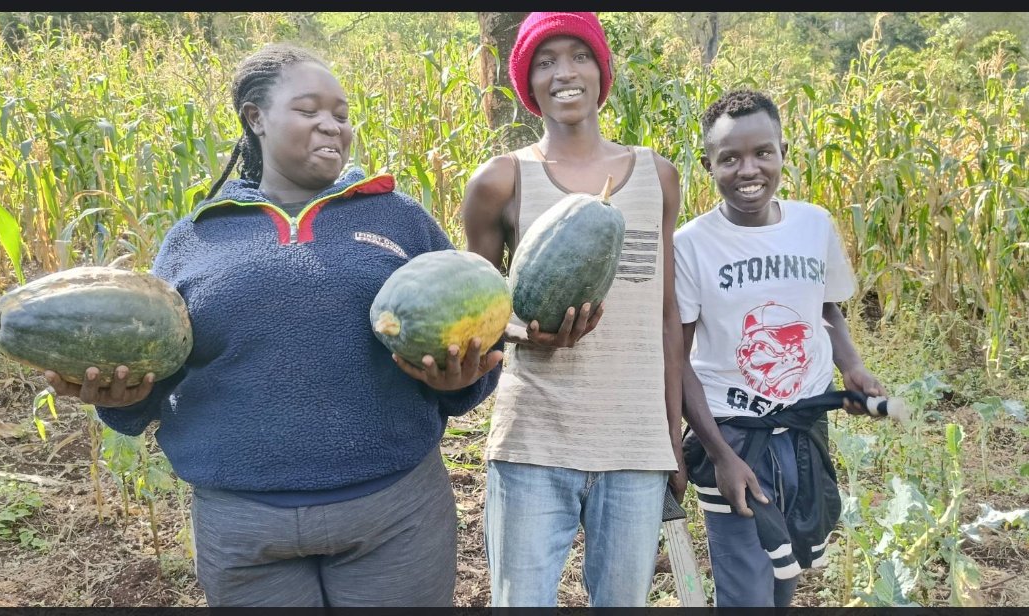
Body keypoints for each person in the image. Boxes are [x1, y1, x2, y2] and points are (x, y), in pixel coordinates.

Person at [43, 42, 504, 607]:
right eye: (309, 110)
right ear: (255, 118)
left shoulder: (398, 216)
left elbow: (468, 329)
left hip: (395, 515)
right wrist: (117, 397)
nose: (331, 126)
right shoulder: (195, 238)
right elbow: (152, 379)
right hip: (242, 529)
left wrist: (462, 383)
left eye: (341, 114)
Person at [460, 12, 757, 607]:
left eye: (578, 56)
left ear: (601, 70)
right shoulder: (499, 180)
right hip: (532, 439)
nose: (564, 72)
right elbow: (477, 312)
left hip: (635, 442)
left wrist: (671, 437)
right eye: (545, 62)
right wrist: (526, 334)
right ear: (527, 82)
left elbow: (668, 318)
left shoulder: (659, 176)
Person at [674, 88, 889, 607]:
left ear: (783, 153)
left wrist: (853, 367)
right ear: (708, 165)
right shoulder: (691, 244)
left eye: (762, 153)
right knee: (746, 585)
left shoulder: (813, 224)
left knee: (788, 564)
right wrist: (721, 454)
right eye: (730, 159)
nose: (748, 170)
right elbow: (676, 359)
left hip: (803, 424)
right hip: (733, 433)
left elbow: (826, 309)